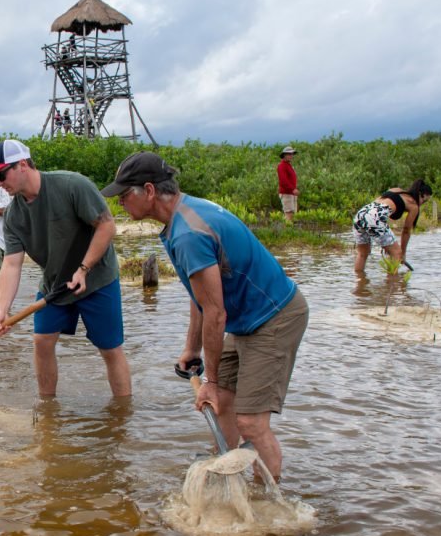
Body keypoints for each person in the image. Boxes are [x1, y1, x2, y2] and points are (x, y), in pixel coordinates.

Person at [102, 152, 308, 481]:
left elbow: (215, 312)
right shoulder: (182, 216)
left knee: (251, 423)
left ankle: (269, 507)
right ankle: (225, 480)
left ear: (150, 191)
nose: (121, 204)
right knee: (222, 406)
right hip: (245, 321)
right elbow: (201, 298)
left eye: (125, 196)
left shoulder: (188, 234)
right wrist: (192, 349)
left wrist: (210, 381)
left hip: (275, 317)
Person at [0, 139, 131, 399]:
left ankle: (123, 413)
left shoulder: (72, 185)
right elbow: (11, 263)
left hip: (97, 279)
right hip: (55, 286)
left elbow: (107, 226)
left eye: (1, 174)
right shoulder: (13, 216)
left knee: (109, 349)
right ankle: (47, 411)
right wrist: (1, 310)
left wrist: (84, 268)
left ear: (23, 165)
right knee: (41, 341)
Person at [352, 179, 433, 273]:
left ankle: (360, 284)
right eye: (424, 200)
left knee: (362, 253)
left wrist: (385, 242)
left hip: (361, 214)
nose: (421, 204)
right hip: (375, 218)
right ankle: (391, 285)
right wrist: (402, 253)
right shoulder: (413, 205)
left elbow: (381, 209)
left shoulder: (396, 190)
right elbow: (406, 231)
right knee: (396, 253)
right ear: (419, 194)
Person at [276, 146, 299, 224]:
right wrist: (292, 189)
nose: (291, 156)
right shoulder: (282, 166)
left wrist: (293, 190)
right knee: (288, 213)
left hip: (291, 193)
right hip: (286, 193)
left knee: (292, 214)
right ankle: (287, 231)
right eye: (289, 154)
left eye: (292, 154)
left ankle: (289, 231)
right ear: (284, 155)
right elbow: (283, 181)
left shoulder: (288, 165)